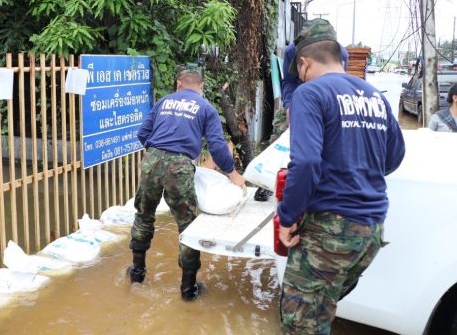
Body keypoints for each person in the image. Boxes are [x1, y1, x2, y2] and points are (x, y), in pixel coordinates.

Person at [276, 19, 406, 334]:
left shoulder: (310, 94)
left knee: (300, 324)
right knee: (323, 309)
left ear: (304, 63)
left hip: (329, 233)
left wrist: (287, 217)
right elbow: (393, 157)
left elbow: (305, 162)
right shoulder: (375, 96)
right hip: (370, 232)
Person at [128, 64, 245, 301]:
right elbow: (217, 145)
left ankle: (137, 273)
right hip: (179, 167)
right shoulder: (205, 107)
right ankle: (188, 289)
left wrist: (156, 156)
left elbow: (142, 133)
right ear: (201, 86)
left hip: (151, 160)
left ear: (179, 84)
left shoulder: (164, 102)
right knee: (188, 225)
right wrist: (233, 175)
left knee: (143, 215)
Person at [281, 39, 349, 122]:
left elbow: (339, 86)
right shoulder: (292, 51)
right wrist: (289, 106)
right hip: (298, 100)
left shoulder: (341, 54)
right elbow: (289, 81)